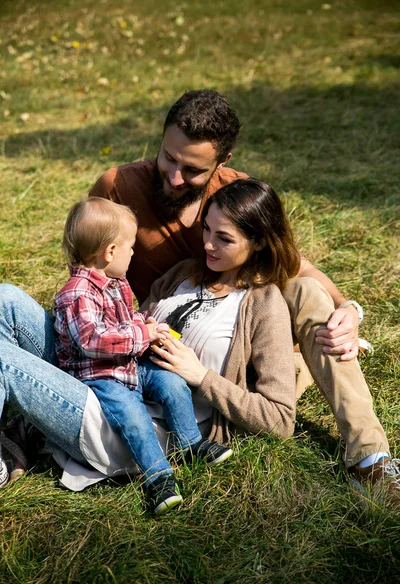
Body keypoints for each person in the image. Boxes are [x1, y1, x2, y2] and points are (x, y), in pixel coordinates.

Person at [0, 89, 399, 501]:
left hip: (155, 381)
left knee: (307, 292)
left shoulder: (235, 202)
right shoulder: (125, 195)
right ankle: (24, 423)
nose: (174, 177)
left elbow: (296, 266)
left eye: (191, 169)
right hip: (120, 342)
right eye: (168, 158)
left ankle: (369, 457)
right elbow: (86, 262)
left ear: (221, 164)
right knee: (5, 298)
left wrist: (348, 308)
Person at [0, 179, 296, 497]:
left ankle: (22, 435)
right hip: (104, 372)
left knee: (3, 358)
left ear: (260, 242)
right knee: (6, 297)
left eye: (223, 238)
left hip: (139, 421)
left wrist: (201, 376)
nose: (208, 244)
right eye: (207, 230)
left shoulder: (265, 304)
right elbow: (120, 324)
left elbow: (280, 419)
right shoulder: (185, 273)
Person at [53, 197, 232, 514]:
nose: (133, 253)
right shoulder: (77, 292)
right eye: (131, 247)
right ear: (110, 252)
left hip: (130, 364)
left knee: (172, 383)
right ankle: (158, 477)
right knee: (134, 417)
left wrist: (145, 324)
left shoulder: (116, 281)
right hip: (101, 377)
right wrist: (142, 336)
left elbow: (126, 318)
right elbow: (93, 341)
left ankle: (189, 442)